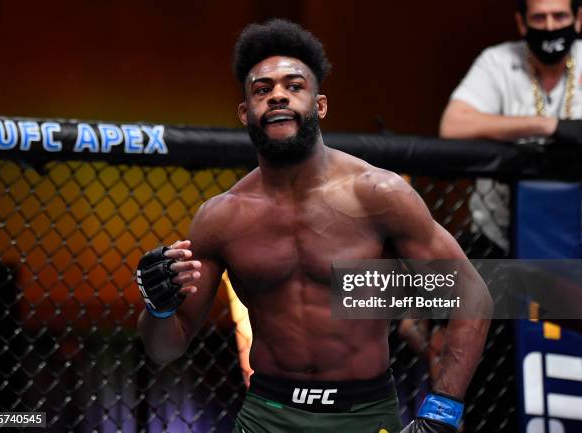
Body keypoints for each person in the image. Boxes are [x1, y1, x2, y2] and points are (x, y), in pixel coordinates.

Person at [137, 19, 492, 433]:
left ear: (319, 105)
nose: (278, 97)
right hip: (267, 415)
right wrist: (157, 308)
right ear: (244, 112)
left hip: (363, 415)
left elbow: (473, 295)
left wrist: (441, 414)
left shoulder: (377, 193)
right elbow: (165, 349)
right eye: (262, 90)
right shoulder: (222, 218)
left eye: (293, 86)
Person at [440, 0, 582, 257]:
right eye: (539, 18)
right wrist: (548, 125)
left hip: (575, 233)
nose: (550, 26)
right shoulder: (496, 61)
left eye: (559, 16)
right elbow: (453, 124)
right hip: (498, 236)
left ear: (578, 19)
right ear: (522, 23)